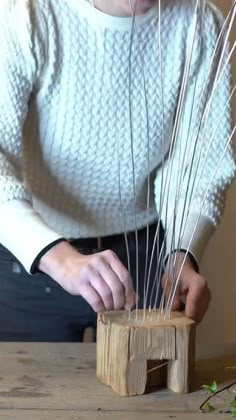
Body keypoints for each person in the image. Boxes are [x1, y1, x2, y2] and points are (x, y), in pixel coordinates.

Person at [0, 0, 234, 341]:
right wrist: (62, 259)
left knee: (149, 388)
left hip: (147, 256)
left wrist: (183, 252)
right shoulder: (25, 13)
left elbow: (201, 168)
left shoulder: (200, 22)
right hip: (32, 257)